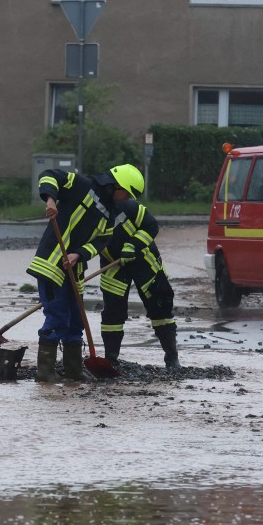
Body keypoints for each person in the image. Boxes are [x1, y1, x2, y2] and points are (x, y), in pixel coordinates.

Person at [28, 163, 144, 381]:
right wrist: (51, 199)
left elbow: (101, 242)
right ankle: (45, 374)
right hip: (51, 266)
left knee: (76, 320)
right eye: (126, 193)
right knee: (57, 317)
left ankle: (74, 371)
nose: (126, 199)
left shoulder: (109, 215)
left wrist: (79, 254)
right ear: (115, 185)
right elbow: (49, 174)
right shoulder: (81, 185)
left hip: (75, 270)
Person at [98, 201, 180, 370]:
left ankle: (172, 360)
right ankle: (110, 361)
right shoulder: (88, 213)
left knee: (160, 307)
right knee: (112, 313)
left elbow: (151, 225)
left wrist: (132, 246)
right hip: (112, 264)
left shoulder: (128, 205)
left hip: (144, 260)